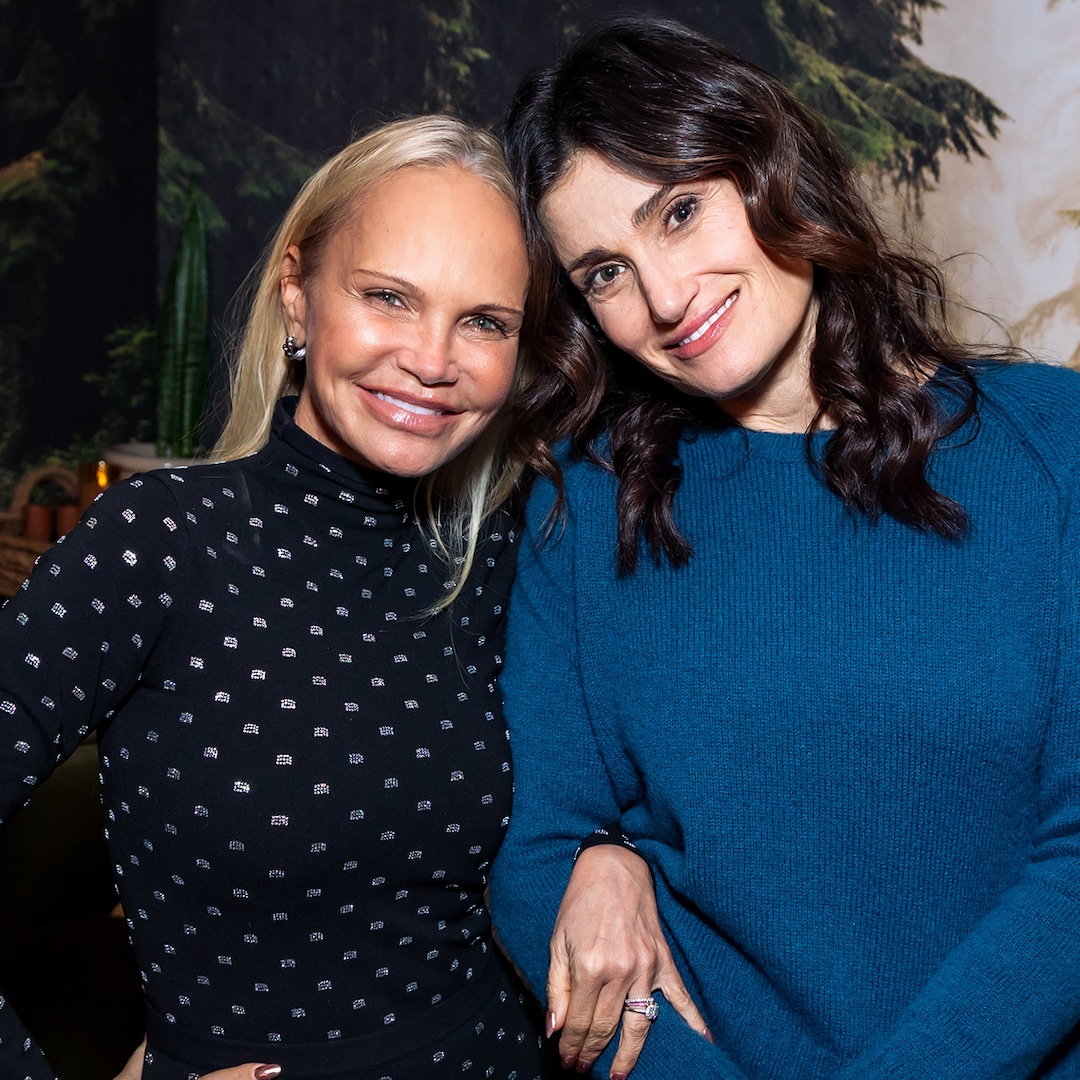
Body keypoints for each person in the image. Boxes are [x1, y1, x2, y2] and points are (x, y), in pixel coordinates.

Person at [486, 14, 1080, 1080]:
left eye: (679, 212)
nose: (666, 299)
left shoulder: (1055, 448)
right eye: (606, 273)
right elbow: (537, 858)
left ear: (770, 167)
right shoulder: (585, 501)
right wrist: (597, 854)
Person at [0, 114, 564, 1080]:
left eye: (484, 322)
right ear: (296, 295)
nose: (433, 359)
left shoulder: (509, 551)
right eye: (388, 296)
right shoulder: (164, 539)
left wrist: (606, 857)